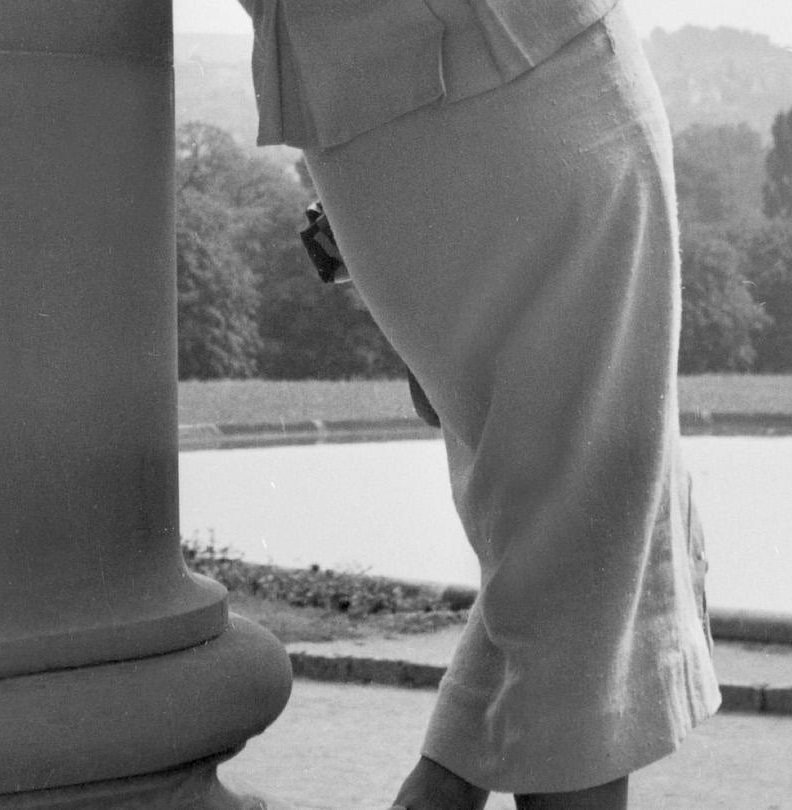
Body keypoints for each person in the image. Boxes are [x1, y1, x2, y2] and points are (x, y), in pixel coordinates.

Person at [233, 1, 721, 808]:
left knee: (558, 541)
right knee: (589, 541)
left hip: (373, 115)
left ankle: (452, 779)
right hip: (534, 71)